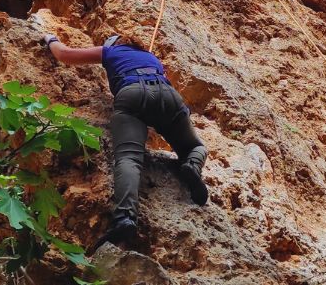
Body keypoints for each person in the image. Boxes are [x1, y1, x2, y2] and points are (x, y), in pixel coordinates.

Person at [43, 32, 208, 243]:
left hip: (132, 93)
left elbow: (65, 54)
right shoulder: (151, 57)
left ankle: (125, 219)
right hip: (168, 95)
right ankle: (192, 166)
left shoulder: (110, 52)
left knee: (129, 158)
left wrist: (51, 39)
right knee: (195, 147)